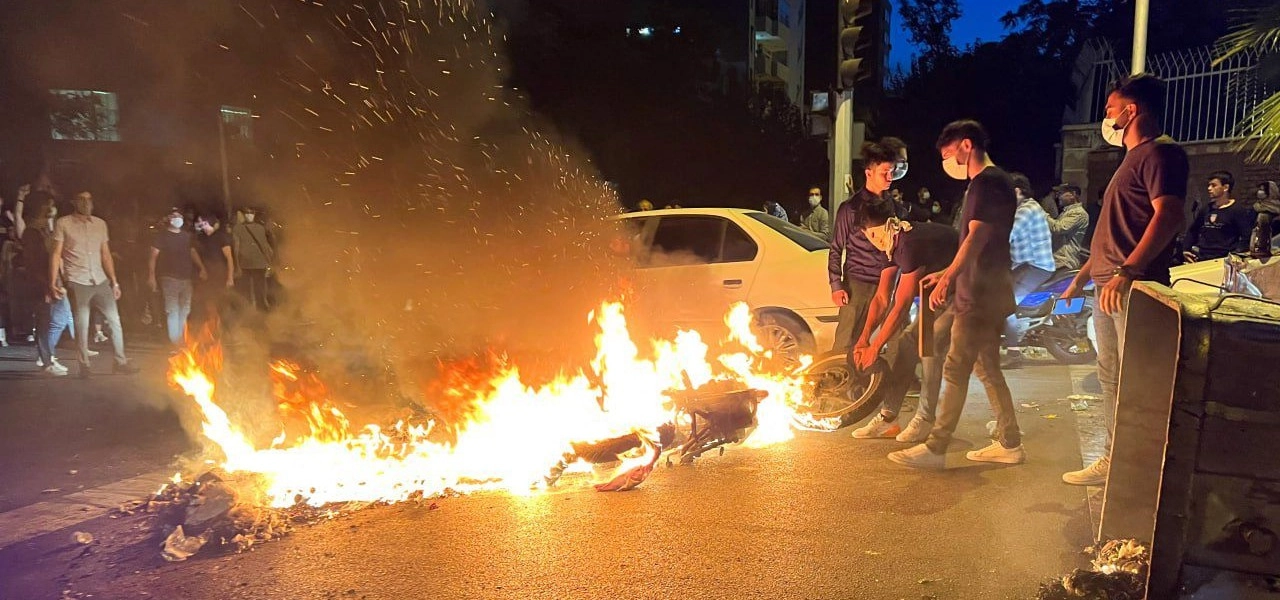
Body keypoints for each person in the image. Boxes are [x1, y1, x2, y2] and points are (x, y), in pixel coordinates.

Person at [1060, 74, 1188, 486]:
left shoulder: (1159, 155)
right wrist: (1083, 277)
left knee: (1135, 380)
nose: (1107, 116)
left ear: (1130, 111)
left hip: (1130, 287)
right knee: (1111, 375)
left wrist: (1127, 271)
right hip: (1109, 284)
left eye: (1110, 108)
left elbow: (1168, 215)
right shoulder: (1130, 160)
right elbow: (1113, 230)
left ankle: (1138, 468)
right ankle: (1116, 461)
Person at [888, 119, 1024, 470]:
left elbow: (976, 237)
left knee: (955, 366)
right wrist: (946, 273)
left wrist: (949, 277)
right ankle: (1009, 441)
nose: (948, 163)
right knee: (987, 366)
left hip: (979, 293)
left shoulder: (985, 182)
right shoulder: (998, 182)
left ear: (966, 145)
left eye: (949, 154)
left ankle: (936, 447)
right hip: (988, 289)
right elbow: (976, 240)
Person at [848, 200, 959, 443]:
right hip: (936, 288)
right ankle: (888, 419)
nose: (874, 240)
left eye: (876, 233)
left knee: (929, 345)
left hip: (967, 285)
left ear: (890, 225)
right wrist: (863, 339)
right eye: (868, 235)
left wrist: (876, 348)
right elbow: (881, 297)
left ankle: (925, 419)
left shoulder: (909, 244)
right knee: (909, 343)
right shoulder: (890, 244)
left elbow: (900, 307)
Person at [50, 191, 138, 377]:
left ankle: (120, 361)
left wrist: (114, 281)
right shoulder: (63, 223)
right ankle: (84, 365)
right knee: (82, 324)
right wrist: (54, 281)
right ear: (74, 202)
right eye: (82, 199)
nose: (86, 203)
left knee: (114, 321)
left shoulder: (100, 224)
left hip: (99, 279)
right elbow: (56, 254)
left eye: (89, 199)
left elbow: (105, 254)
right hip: (77, 280)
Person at [828, 141, 896, 353]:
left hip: (888, 282)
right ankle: (841, 383)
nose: (889, 178)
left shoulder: (892, 206)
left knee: (893, 338)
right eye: (884, 172)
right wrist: (836, 285)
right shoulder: (850, 209)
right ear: (869, 173)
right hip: (857, 284)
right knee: (847, 340)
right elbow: (836, 248)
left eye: (892, 172)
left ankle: (887, 383)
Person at [1003, 173, 1056, 367]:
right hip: (1024, 264)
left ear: (1017, 191)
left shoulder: (1026, 210)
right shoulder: (1025, 207)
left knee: (1006, 303)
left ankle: (1014, 353)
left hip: (1036, 266)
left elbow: (1007, 234)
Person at [22, 194, 72, 375]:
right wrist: (45, 284)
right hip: (41, 284)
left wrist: (60, 280)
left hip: (54, 282)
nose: (52, 209)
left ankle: (47, 355)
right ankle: (47, 361)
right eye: (49, 205)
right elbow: (33, 263)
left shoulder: (47, 230)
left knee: (61, 317)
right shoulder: (32, 232)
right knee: (44, 321)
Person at [148, 208, 206, 347]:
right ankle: (176, 342)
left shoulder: (186, 236)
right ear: (169, 219)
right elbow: (153, 257)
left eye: (179, 215)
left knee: (185, 310)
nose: (177, 218)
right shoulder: (161, 236)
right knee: (173, 311)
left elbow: (192, 252)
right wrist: (151, 276)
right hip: (169, 279)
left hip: (186, 278)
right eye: (174, 216)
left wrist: (202, 268)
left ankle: (180, 339)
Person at [1183, 171, 1254, 262]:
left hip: (1224, 259)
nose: (1209, 188)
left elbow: (1246, 235)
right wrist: (1186, 249)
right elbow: (1193, 230)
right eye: (1209, 185)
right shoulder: (1206, 209)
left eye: (1213, 185)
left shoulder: (1237, 210)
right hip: (1202, 257)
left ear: (1225, 187)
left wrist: (1236, 254)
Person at [192, 212, 235, 329]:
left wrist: (230, 277)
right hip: (206, 277)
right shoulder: (201, 238)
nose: (201, 225)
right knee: (208, 303)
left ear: (210, 223)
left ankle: (229, 333)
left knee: (222, 304)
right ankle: (211, 331)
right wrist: (202, 268)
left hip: (220, 276)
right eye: (200, 223)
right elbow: (193, 251)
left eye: (204, 223)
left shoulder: (221, 237)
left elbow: (229, 258)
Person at [232, 206, 275, 311]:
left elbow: (264, 246)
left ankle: (255, 312)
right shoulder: (238, 228)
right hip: (246, 265)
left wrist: (269, 263)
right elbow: (236, 248)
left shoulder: (260, 228)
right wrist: (237, 265)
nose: (249, 215)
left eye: (251, 213)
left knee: (257, 290)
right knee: (251, 291)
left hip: (257, 264)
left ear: (254, 214)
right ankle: (253, 312)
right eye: (246, 213)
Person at [1047, 185, 1089, 271]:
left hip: (1064, 262)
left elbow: (1059, 228)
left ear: (1073, 194)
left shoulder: (1078, 213)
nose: (1058, 197)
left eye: (1061, 193)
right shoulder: (1067, 212)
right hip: (1059, 261)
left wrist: (1042, 214)